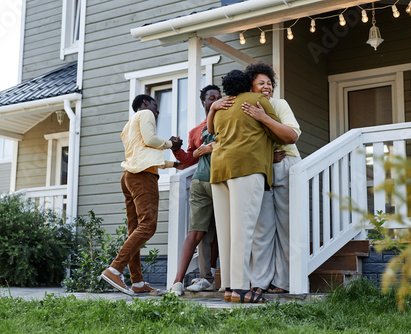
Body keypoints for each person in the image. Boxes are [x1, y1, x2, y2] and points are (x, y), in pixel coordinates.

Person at [207, 70, 284, 303]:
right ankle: (241, 290)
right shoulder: (257, 100)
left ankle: (230, 287)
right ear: (249, 85)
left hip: (219, 170)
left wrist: (212, 109)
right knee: (243, 230)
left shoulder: (221, 107)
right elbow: (281, 135)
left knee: (227, 232)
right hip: (246, 168)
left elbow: (211, 132)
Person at [101, 94, 184, 296]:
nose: (157, 111)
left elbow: (144, 154)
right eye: (156, 106)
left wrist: (174, 164)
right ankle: (114, 270)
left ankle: (137, 283)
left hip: (130, 175)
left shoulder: (128, 126)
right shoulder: (145, 113)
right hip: (142, 177)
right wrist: (172, 145)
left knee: (135, 230)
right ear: (145, 103)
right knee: (148, 225)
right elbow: (151, 140)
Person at [167, 85, 233, 295]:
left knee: (219, 232)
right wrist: (176, 150)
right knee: (200, 231)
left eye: (218, 97)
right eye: (211, 98)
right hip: (201, 181)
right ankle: (185, 281)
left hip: (224, 180)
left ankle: (213, 275)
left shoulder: (228, 121)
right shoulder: (196, 131)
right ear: (203, 102)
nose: (215, 100)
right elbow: (189, 159)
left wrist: (213, 147)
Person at [242, 61, 301, 294]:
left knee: (286, 227)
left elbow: (291, 136)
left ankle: (284, 282)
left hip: (286, 165)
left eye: (269, 83)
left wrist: (264, 116)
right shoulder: (244, 108)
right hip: (261, 169)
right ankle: (259, 282)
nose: (266, 87)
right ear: (251, 86)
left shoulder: (279, 104)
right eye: (261, 83)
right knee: (262, 228)